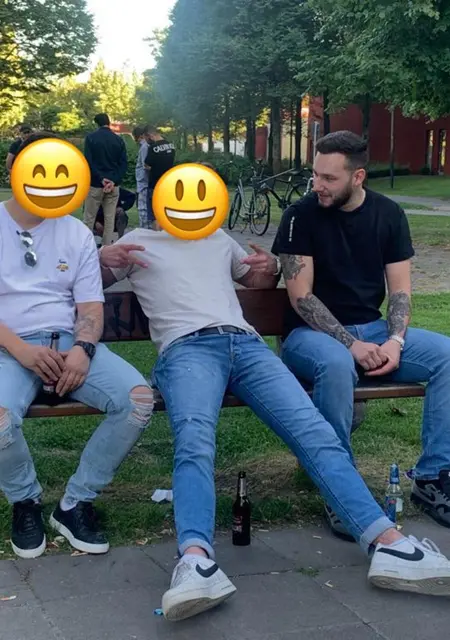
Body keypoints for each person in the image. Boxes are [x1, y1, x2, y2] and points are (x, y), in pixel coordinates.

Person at [99, 223, 450, 622]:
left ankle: (388, 544)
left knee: (315, 432)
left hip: (248, 345)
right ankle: (195, 561)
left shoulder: (215, 236)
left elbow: (257, 278)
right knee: (195, 441)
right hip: (186, 349)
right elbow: (89, 281)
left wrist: (267, 267)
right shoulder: (136, 240)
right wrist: (100, 259)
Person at [271, 129, 450, 540]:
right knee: (336, 363)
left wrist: (395, 342)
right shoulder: (300, 215)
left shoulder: (388, 214)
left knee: (446, 355)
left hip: (372, 329)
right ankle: (341, 488)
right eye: (315, 174)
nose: (318, 185)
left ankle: (433, 476)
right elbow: (301, 298)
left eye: (329, 178)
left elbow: (400, 291)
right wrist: (351, 345)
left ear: (358, 177)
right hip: (309, 336)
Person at [0, 132, 153, 560]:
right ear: (14, 167)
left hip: (69, 342)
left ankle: (74, 503)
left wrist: (83, 350)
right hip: (9, 349)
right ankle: (25, 501)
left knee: (138, 400)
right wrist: (22, 350)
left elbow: (89, 305)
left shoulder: (77, 232)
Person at [83, 113, 128, 246]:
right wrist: (113, 180)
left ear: (97, 123)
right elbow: (123, 164)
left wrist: (101, 178)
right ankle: (107, 246)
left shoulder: (91, 138)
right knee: (110, 219)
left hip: (96, 184)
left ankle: (86, 245)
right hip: (114, 186)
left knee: (89, 217)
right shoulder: (118, 140)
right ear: (108, 122)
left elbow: (88, 162)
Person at [144, 126, 175, 229]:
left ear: (150, 135)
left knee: (154, 214)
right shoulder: (171, 146)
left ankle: (156, 233)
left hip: (155, 184)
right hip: (168, 183)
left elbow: (147, 166)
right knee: (166, 211)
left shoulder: (153, 148)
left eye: (147, 138)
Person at [133, 125, 151, 229]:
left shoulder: (144, 147)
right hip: (143, 181)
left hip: (143, 182)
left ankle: (144, 228)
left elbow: (145, 165)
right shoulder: (145, 146)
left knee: (142, 207)